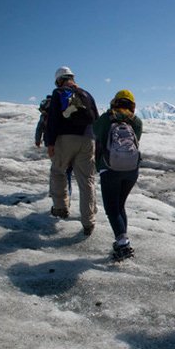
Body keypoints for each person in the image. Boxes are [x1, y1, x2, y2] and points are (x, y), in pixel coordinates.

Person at [45, 66, 98, 236]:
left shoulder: (59, 92)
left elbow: (53, 118)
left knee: (58, 171)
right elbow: (95, 118)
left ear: (59, 80)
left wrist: (50, 142)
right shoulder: (87, 94)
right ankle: (88, 222)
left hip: (65, 139)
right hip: (88, 139)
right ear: (72, 78)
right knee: (87, 181)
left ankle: (61, 207)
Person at [93, 89, 143, 259]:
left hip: (110, 168)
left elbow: (95, 132)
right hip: (131, 169)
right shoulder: (136, 122)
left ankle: (123, 244)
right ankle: (123, 237)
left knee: (112, 208)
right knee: (120, 205)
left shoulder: (106, 118)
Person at [35, 94, 72, 197]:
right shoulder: (61, 111)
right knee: (66, 168)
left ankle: (54, 190)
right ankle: (66, 191)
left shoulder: (45, 114)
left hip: (50, 142)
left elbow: (39, 127)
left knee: (55, 168)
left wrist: (37, 140)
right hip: (65, 142)